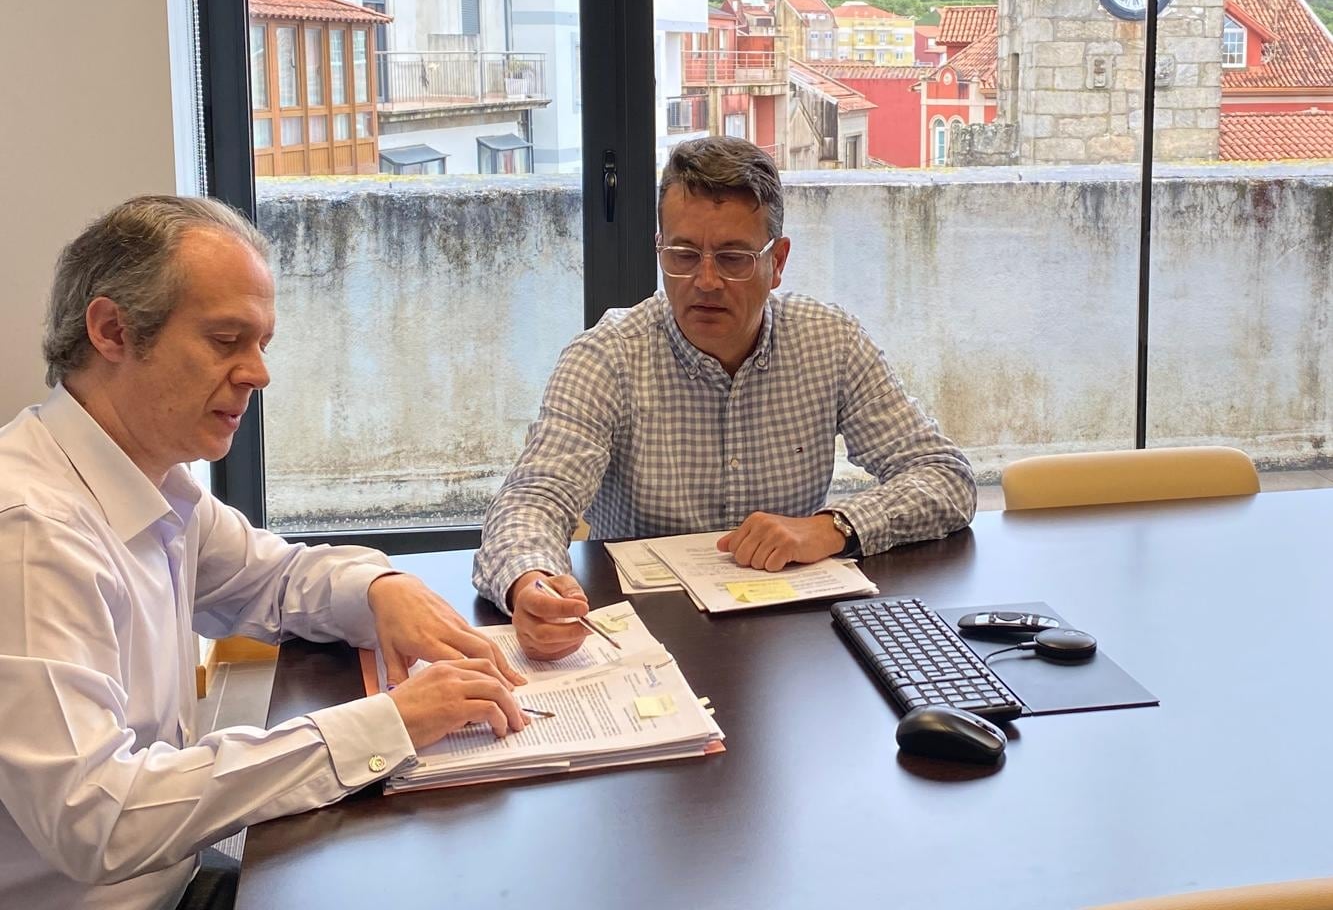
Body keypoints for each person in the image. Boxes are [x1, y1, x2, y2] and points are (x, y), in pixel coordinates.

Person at [0, 196, 529, 910]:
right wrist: (389, 723)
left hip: (178, 881)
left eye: (261, 345)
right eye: (226, 340)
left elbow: (277, 579)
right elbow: (97, 818)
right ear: (112, 330)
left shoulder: (147, 477)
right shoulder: (32, 532)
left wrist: (379, 589)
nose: (258, 374)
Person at [474, 136, 976, 660]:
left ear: (777, 262)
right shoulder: (607, 356)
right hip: (649, 640)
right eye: (683, 255)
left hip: (787, 639)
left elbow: (945, 476)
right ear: (659, 250)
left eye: (734, 258)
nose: (705, 281)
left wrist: (832, 529)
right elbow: (531, 501)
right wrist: (528, 582)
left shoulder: (830, 341)